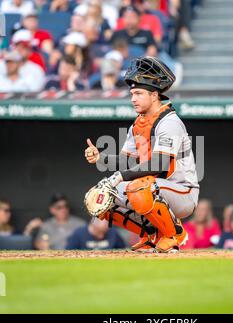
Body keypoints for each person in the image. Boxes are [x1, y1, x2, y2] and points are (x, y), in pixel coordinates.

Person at [84, 56, 199, 253]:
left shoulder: (169, 122)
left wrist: (118, 177)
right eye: (132, 94)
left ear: (154, 95)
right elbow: (128, 161)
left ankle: (175, 233)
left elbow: (159, 164)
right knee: (101, 197)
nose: (133, 98)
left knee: (139, 186)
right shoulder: (138, 124)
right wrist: (101, 158)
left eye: (138, 93)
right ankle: (152, 235)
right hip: (154, 189)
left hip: (183, 192)